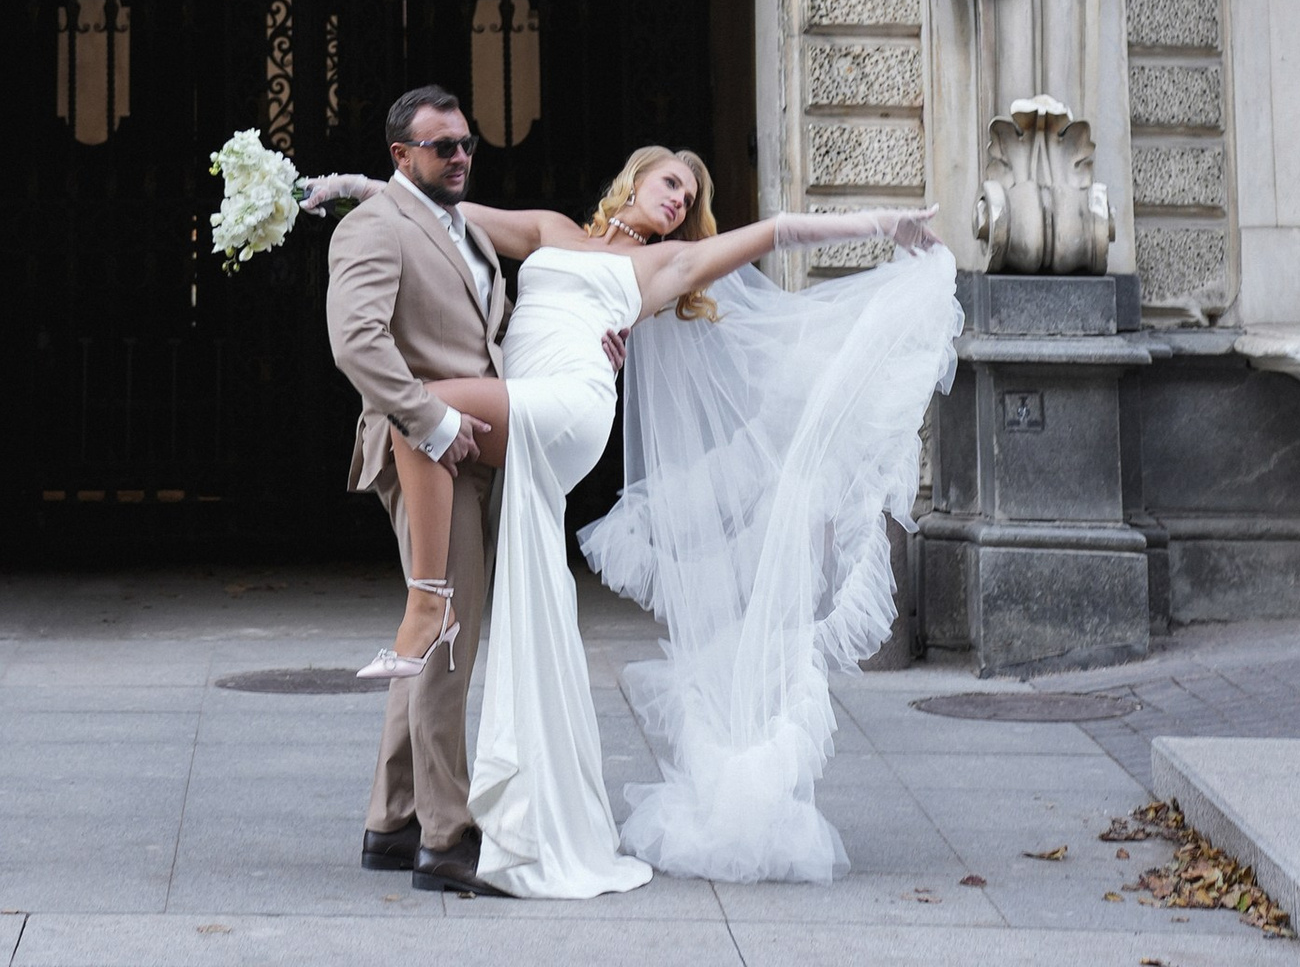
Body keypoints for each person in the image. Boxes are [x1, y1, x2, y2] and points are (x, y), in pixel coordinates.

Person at [308, 140, 955, 898]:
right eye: (672, 182)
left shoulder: (664, 266)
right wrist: (353, 183)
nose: (679, 199)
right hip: (512, 409)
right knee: (449, 567)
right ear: (636, 179)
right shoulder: (550, 230)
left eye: (690, 197)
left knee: (424, 412)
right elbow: (434, 214)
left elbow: (778, 230)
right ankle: (395, 817)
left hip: (569, 406)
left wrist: (885, 222)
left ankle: (425, 608)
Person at [320, 90, 519, 897]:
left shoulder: (462, 227)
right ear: (400, 156)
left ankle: (392, 820)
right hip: (421, 454)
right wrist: (430, 420)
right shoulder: (373, 227)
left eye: (466, 143)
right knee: (447, 636)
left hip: (475, 450)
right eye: (442, 147)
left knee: (436, 629)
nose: (460, 157)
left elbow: (482, 329)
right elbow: (356, 340)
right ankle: (447, 836)